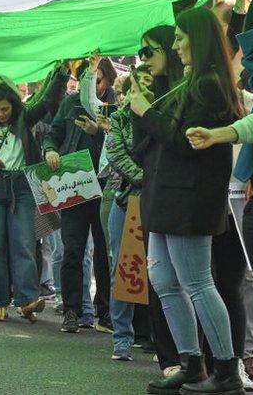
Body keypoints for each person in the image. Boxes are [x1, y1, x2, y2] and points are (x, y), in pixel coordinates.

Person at [131, 7, 244, 394]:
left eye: (180, 38)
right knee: (164, 280)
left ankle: (226, 370)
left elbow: (185, 143)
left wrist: (146, 111)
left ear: (199, 39)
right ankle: (191, 363)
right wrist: (142, 109)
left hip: (189, 199)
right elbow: (143, 147)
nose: (176, 45)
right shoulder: (189, 83)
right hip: (166, 197)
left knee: (197, 282)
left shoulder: (209, 84)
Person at [0, 65, 68, 324]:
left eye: (5, 109)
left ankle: (27, 301)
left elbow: (46, 101)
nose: (1, 114)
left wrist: (61, 74)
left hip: (22, 186)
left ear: (13, 105)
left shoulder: (25, 117)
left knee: (24, 244)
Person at [44, 60, 114, 335]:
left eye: (97, 81)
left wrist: (101, 130)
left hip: (108, 183)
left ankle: (105, 312)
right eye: (86, 81)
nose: (93, 88)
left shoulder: (117, 105)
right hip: (76, 182)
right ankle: (72, 309)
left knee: (105, 252)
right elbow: (53, 133)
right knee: (72, 248)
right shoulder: (70, 104)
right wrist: (50, 150)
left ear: (107, 80)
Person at [104, 65, 153, 361]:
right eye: (140, 83)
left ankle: (164, 343)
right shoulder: (120, 118)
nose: (144, 89)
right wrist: (149, 178)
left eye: (151, 83)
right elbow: (117, 156)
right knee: (121, 270)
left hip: (160, 201)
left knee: (160, 271)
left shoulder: (165, 116)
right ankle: (122, 337)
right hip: (125, 200)